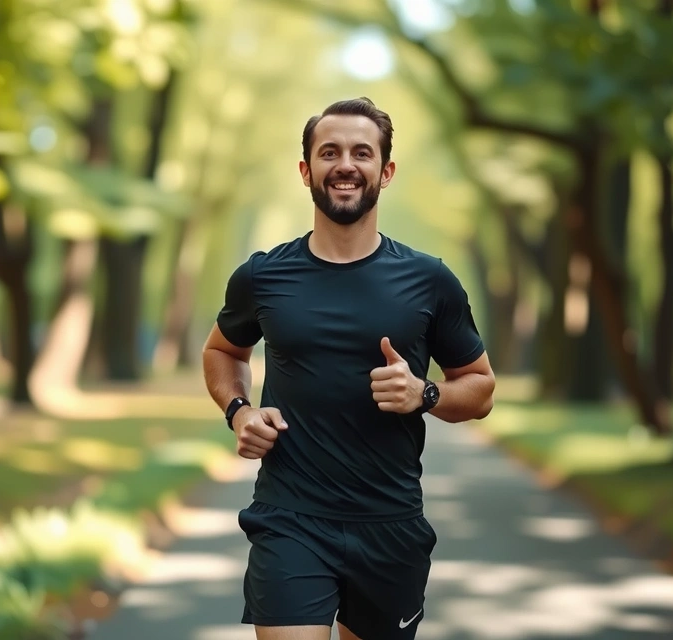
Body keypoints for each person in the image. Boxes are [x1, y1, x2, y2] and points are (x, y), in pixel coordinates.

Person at [201, 97, 496, 640]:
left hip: (390, 525)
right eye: (329, 151)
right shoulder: (263, 277)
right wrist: (239, 411)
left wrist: (423, 394)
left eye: (362, 152)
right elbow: (223, 351)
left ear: (385, 172)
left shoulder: (429, 281)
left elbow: (480, 389)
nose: (345, 164)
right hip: (290, 519)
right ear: (305, 169)